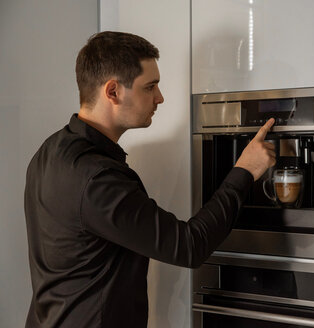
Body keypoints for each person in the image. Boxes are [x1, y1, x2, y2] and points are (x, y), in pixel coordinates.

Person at [24, 31, 276, 328]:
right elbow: (188, 246)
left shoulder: (49, 151)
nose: (160, 97)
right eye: (150, 87)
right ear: (113, 92)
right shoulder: (97, 178)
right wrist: (244, 171)